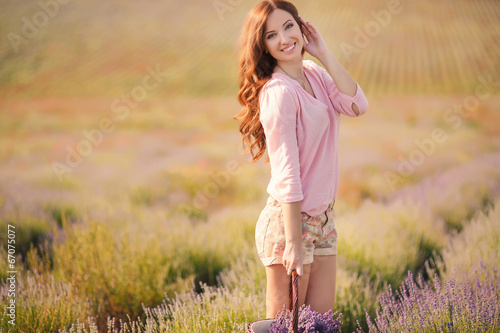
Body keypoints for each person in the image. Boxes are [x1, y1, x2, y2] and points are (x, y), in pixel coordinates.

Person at [234, 0, 368, 318]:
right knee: (285, 327)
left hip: (323, 220)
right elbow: (287, 173)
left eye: (289, 26)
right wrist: (293, 242)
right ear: (263, 46)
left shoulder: (315, 74)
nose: (284, 39)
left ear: (301, 26)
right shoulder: (278, 93)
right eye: (271, 35)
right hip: (289, 224)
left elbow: (357, 105)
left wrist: (323, 52)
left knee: (319, 324)